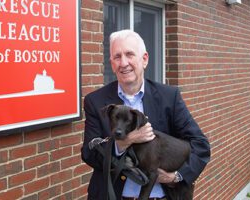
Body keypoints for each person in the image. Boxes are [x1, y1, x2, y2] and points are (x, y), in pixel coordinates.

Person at [81, 29, 211, 200]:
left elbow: (200, 145)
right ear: (112, 63)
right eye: (117, 57)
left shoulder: (168, 96)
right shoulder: (95, 101)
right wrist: (124, 142)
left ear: (144, 59)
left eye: (129, 54)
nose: (124, 63)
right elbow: (89, 154)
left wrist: (177, 176)